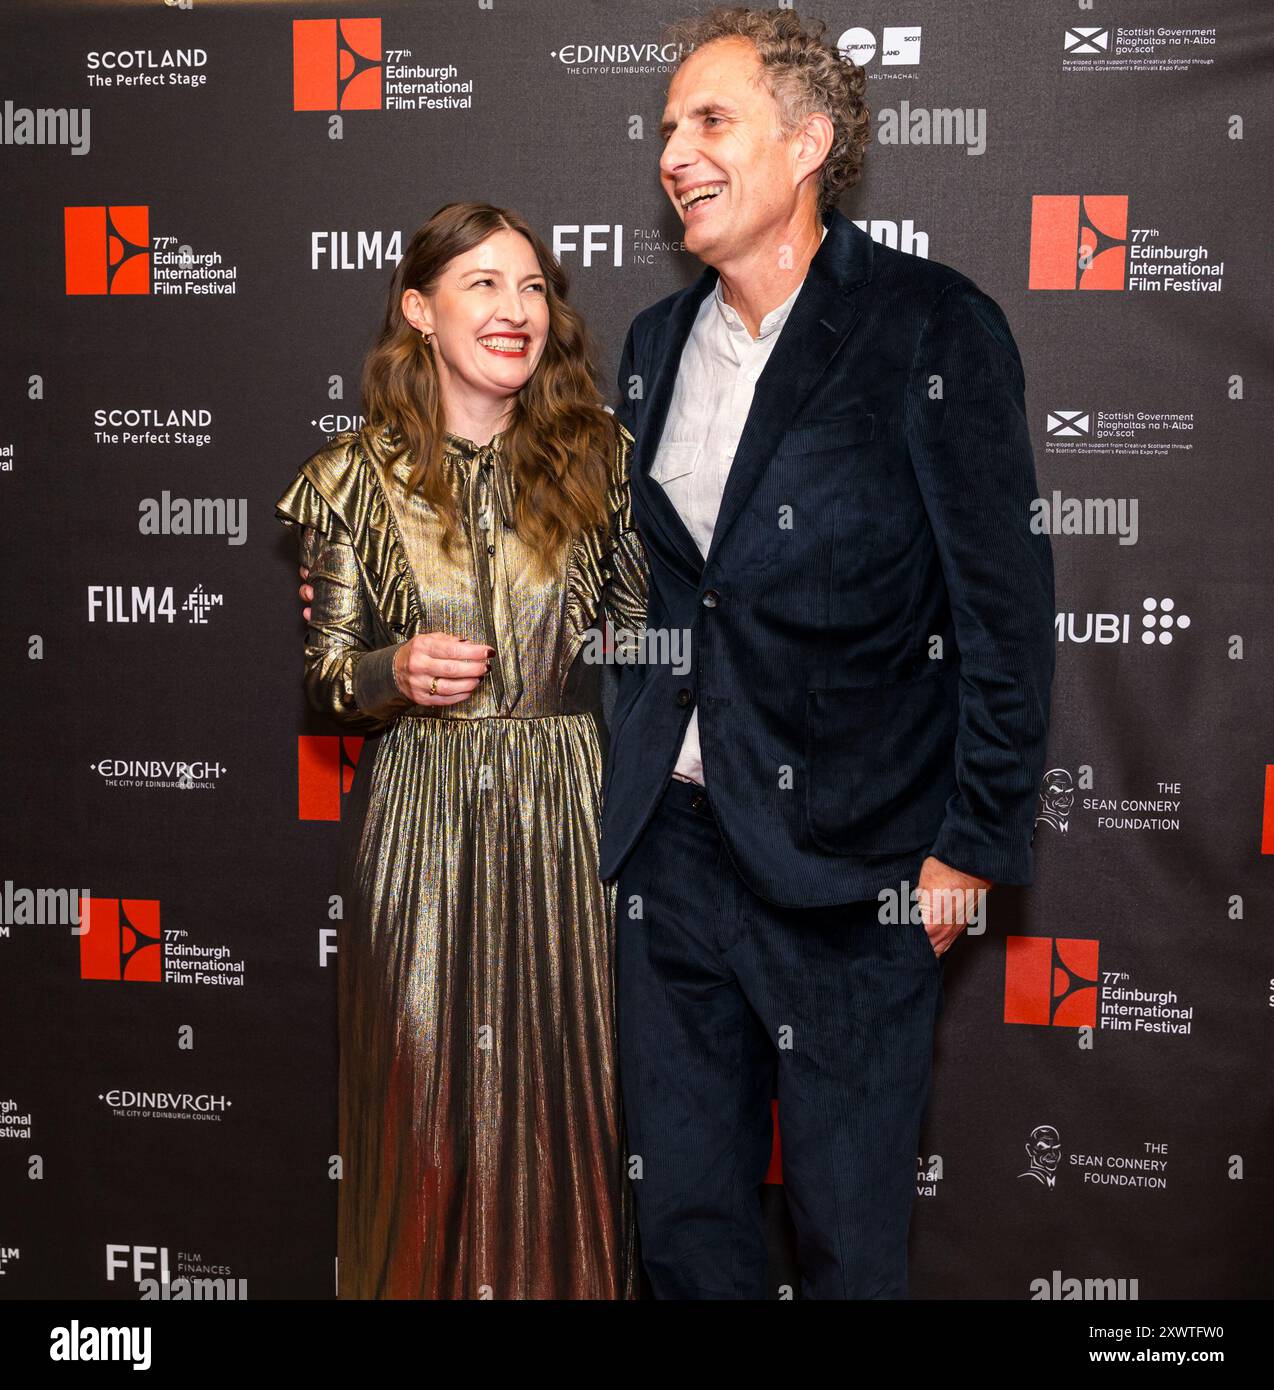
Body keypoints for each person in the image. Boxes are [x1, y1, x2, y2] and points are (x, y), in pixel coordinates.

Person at [602, 8, 1055, 1299]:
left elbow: (1003, 609)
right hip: (674, 857)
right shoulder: (651, 345)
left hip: (858, 870)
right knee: (684, 1234)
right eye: (665, 129)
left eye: (708, 121)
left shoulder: (928, 328)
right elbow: (654, 591)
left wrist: (972, 841)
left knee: (852, 1243)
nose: (672, 154)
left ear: (805, 143)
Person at [277, 201, 645, 1299]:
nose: (514, 309)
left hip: (568, 816)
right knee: (419, 1106)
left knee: (568, 1103)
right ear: (418, 310)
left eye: (532, 287)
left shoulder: (602, 461)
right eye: (481, 283)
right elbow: (329, 675)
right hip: (420, 821)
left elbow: (649, 639)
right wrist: (393, 674)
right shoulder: (348, 476)